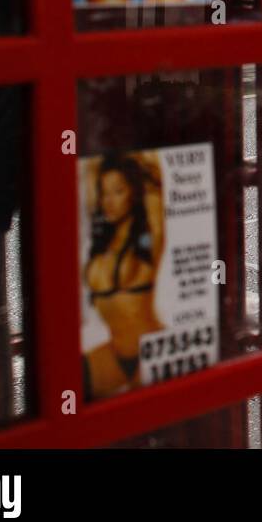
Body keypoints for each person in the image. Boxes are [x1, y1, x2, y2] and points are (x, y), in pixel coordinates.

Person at [82, 152, 165, 400]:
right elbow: (86, 163)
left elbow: (155, 182)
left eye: (118, 191)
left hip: (151, 350)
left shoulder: (147, 244)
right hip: (112, 356)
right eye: (104, 192)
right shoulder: (102, 246)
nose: (109, 201)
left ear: (133, 193)